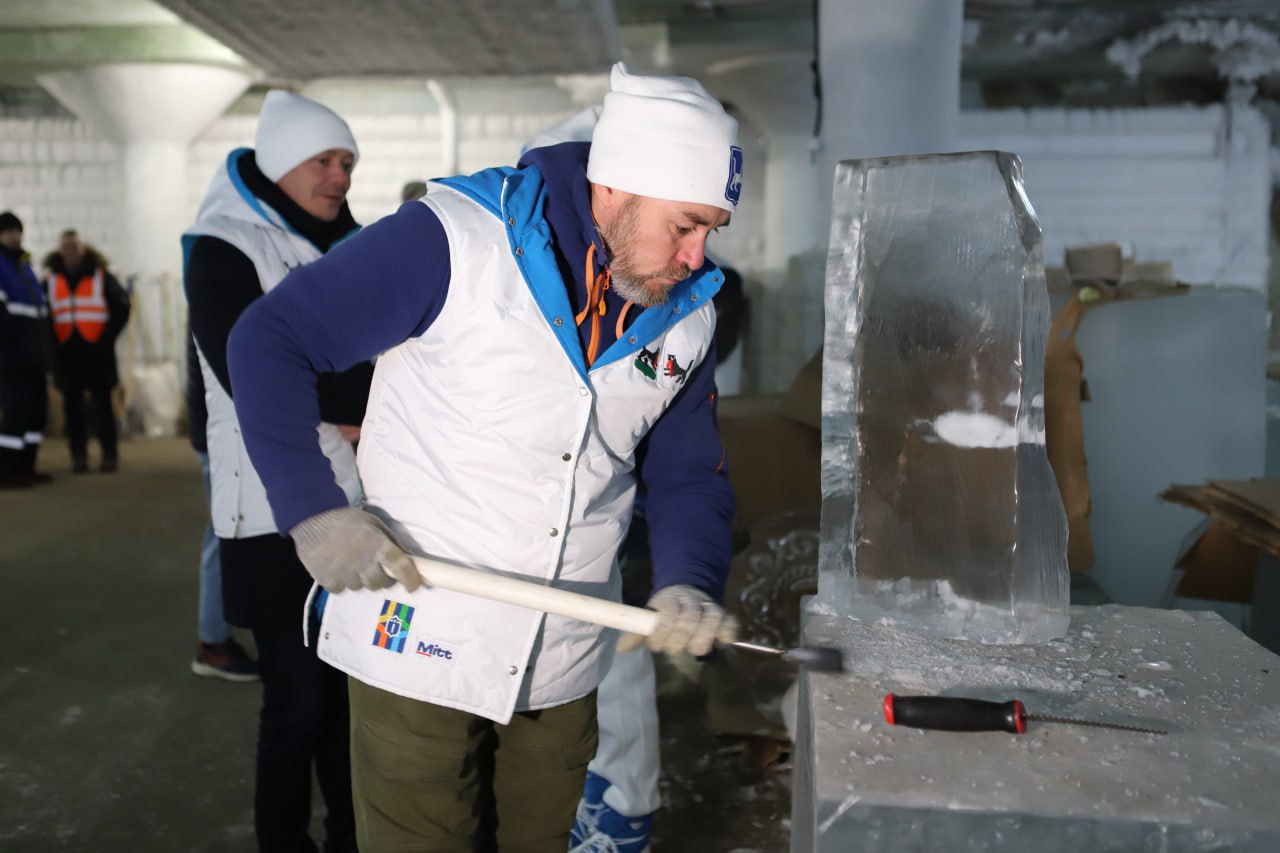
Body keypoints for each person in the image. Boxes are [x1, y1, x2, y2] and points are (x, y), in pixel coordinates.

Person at [227, 61, 744, 852]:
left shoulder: (687, 317)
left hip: (564, 652)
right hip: (422, 627)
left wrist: (687, 580)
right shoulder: (458, 238)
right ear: (613, 190)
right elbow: (270, 338)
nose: (697, 255)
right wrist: (313, 508)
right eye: (684, 225)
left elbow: (685, 469)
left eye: (713, 228)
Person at [184, 89, 373, 853]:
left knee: (346, 701)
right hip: (269, 513)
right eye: (324, 161)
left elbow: (395, 356)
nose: (339, 177)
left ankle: (351, 839)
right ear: (281, 164)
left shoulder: (355, 244)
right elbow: (252, 367)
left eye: (348, 162)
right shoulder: (225, 245)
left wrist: (366, 400)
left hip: (360, 499)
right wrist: (360, 398)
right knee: (296, 702)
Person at [186, 326, 260, 683]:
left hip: (218, 428)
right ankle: (212, 644)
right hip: (220, 433)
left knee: (226, 530)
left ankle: (214, 637)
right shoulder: (214, 273)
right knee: (224, 532)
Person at [42, 229, 130, 473]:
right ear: (60, 251)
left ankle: (109, 456)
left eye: (75, 247)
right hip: (66, 354)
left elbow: (123, 307)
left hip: (97, 354)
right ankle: (78, 457)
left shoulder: (101, 276)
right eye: (66, 248)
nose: (71, 252)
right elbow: (44, 315)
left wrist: (107, 337)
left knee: (103, 406)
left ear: (84, 249)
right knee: (73, 409)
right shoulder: (50, 279)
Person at [0, 211, 54, 489]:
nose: (14, 236)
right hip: (12, 356)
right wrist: (14, 347)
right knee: (16, 412)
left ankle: (27, 466)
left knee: (36, 413)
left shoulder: (25, 265)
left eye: (17, 231)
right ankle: (7, 470)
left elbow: (40, 311)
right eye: (9, 231)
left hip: (35, 355)